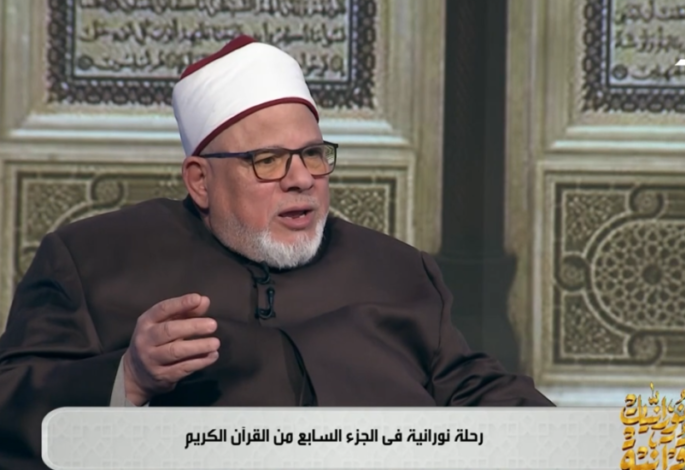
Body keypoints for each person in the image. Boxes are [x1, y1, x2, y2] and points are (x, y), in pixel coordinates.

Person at [0, 35, 553, 468]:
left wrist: (577, 441)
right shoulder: (92, 260)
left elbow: (474, 393)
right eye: (267, 161)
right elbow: (10, 409)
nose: (301, 179)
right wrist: (129, 377)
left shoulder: (398, 270)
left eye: (312, 154)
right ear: (200, 180)